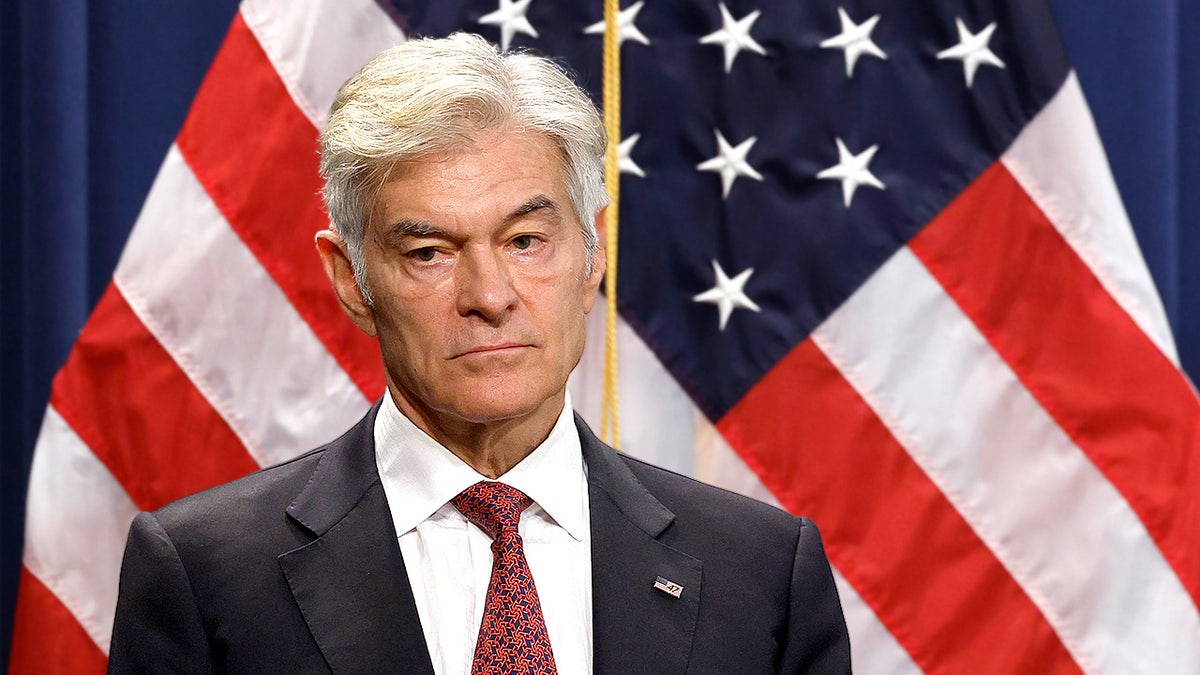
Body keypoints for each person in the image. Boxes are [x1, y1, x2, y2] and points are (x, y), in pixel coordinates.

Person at [107, 32, 851, 674]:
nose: (490, 294)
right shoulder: (203, 575)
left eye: (526, 241)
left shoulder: (760, 572)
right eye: (430, 251)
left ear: (593, 255)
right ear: (352, 281)